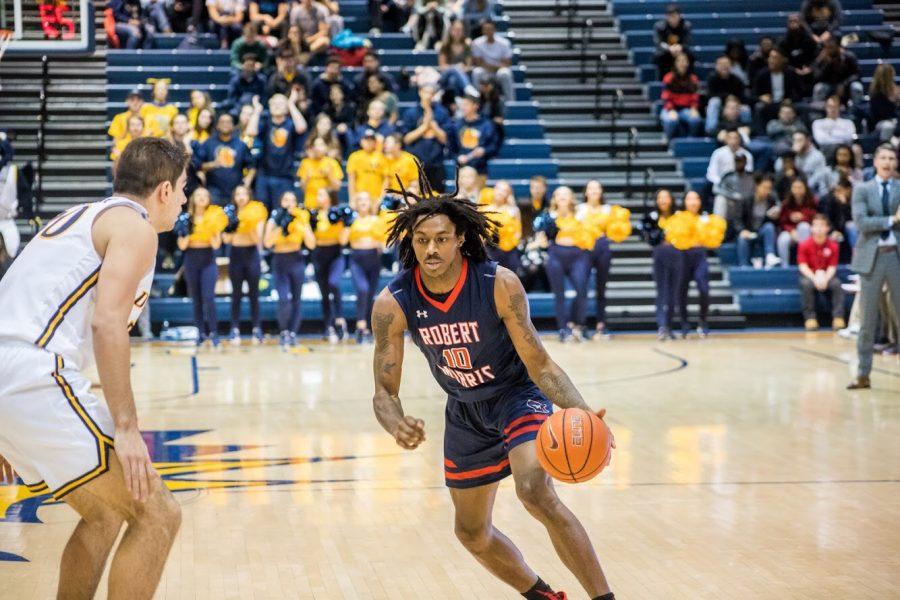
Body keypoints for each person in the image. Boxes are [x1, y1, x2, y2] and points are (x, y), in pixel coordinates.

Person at [370, 168, 617, 600]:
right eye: (422, 239)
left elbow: (541, 364)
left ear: (460, 238)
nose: (431, 249)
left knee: (534, 490)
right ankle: (541, 595)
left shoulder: (498, 283)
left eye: (441, 238)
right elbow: (384, 392)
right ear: (410, 240)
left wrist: (578, 409)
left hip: (516, 397)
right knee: (471, 533)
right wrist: (395, 424)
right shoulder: (394, 302)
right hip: (464, 410)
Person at [0, 137, 187, 598]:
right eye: (182, 189)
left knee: (104, 514)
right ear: (163, 190)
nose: (184, 200)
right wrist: (126, 426)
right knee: (158, 512)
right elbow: (107, 323)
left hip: (15, 374)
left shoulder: (82, 216)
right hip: (32, 372)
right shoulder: (136, 228)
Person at [847, 145, 900, 389]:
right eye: (883, 158)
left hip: (896, 257)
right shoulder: (862, 189)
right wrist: (893, 220)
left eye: (892, 158)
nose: (888, 162)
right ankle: (863, 373)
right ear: (875, 162)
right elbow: (862, 223)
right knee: (868, 320)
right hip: (872, 257)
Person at [536, 186, 592, 342]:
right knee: (559, 294)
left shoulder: (580, 214)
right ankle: (563, 328)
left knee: (581, 289)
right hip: (556, 255)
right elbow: (540, 239)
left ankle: (578, 325)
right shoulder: (548, 216)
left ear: (571, 198)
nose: (562, 197)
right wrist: (544, 241)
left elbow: (589, 234)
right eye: (559, 194)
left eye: (566, 194)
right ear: (554, 198)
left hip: (578, 255)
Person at [667, 190, 724, 337]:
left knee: (704, 288)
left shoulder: (706, 219)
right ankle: (684, 323)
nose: (693, 202)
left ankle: (702, 320)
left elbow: (715, 239)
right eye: (689, 199)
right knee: (681, 290)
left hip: (699, 255)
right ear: (685, 202)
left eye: (696, 198)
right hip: (682, 256)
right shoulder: (678, 218)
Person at [578, 180, 631, 338]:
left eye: (597, 188)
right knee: (582, 287)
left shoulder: (608, 210)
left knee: (602, 288)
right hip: (584, 248)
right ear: (586, 192)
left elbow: (617, 230)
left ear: (601, 192)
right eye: (591, 188)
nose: (594, 191)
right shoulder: (579, 209)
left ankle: (601, 323)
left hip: (602, 246)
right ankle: (581, 323)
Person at [175, 187, 227, 347]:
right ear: (193, 199)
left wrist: (211, 230)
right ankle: (200, 333)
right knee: (196, 299)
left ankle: (214, 332)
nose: (202, 197)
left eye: (205, 195)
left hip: (208, 260)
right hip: (191, 260)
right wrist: (189, 232)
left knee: (209, 297)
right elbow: (182, 245)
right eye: (198, 194)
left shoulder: (214, 216)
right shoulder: (185, 218)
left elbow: (217, 244)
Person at [263, 190, 316, 348]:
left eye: (292, 200)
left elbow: (311, 244)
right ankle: (284, 331)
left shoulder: (301, 219)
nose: (289, 202)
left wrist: (303, 224)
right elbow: (267, 243)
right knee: (283, 298)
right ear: (281, 202)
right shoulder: (275, 219)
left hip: (296, 260)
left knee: (297, 299)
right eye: (286, 199)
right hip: (279, 261)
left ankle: (293, 332)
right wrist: (281, 225)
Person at [246, 91, 308, 210]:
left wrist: (291, 104)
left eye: (281, 104)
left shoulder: (290, 124)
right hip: (264, 175)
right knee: (261, 210)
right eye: (274, 104)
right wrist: (257, 110)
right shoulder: (265, 123)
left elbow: (301, 127)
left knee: (283, 210)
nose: (277, 106)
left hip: (285, 176)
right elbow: (251, 131)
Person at [222, 185, 267, 345]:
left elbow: (258, 240)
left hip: (252, 254)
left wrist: (248, 225)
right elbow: (226, 240)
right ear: (234, 197)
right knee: (236, 294)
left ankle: (257, 328)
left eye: (244, 193)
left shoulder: (257, 212)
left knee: (254, 294)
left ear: (249, 196)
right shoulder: (229, 213)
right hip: (235, 254)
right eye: (237, 193)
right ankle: (234, 329)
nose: (241, 197)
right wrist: (232, 227)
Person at [342, 192, 385, 343]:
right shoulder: (351, 220)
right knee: (363, 289)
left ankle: (367, 327)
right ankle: (360, 324)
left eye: (366, 199)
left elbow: (384, 244)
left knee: (370, 293)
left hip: (373, 258)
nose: (363, 202)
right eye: (359, 199)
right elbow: (342, 241)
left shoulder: (377, 220)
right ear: (355, 203)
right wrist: (347, 225)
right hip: (356, 259)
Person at [310, 190, 352, 342]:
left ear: (329, 197)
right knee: (324, 292)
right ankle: (328, 325)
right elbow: (311, 240)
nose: (319, 198)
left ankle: (340, 320)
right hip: (319, 253)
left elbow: (343, 240)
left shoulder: (339, 212)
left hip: (336, 252)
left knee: (333, 283)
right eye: (318, 195)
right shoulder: (314, 215)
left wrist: (345, 223)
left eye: (322, 195)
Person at [400, 83, 454, 192]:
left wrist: (431, 121)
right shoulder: (410, 113)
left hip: (436, 163)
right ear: (420, 92)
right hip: (415, 163)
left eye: (431, 93)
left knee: (437, 199)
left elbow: (444, 139)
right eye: (426, 92)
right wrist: (424, 127)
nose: (428, 96)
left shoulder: (442, 113)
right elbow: (406, 139)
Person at [641, 189, 680, 339]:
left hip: (677, 254)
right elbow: (646, 235)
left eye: (666, 197)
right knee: (661, 290)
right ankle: (662, 325)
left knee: (673, 292)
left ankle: (670, 325)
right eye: (660, 198)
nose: (663, 200)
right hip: (660, 254)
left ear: (671, 200)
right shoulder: (652, 218)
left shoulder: (679, 217)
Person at [798, 213, 845, 330]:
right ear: (811, 228)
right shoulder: (804, 245)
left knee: (836, 284)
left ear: (827, 228)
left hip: (827, 276)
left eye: (822, 226)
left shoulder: (833, 246)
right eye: (816, 226)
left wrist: (825, 278)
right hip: (810, 275)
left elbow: (832, 267)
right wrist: (814, 278)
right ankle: (810, 318)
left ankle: (838, 317)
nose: (818, 229)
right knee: (806, 284)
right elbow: (803, 266)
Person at [195, 113, 255, 205]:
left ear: (233, 125)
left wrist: (247, 182)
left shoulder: (241, 145)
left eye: (228, 122)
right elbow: (197, 165)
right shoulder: (208, 143)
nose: (225, 124)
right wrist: (212, 164)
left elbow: (252, 166)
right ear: (218, 126)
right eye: (222, 122)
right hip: (214, 190)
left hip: (236, 191)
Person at [752, 47, 804, 128]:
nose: (771, 60)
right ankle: (761, 135)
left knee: (801, 107)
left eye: (775, 58)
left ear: (783, 60)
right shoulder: (762, 74)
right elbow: (753, 94)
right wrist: (761, 98)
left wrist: (791, 99)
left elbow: (800, 91)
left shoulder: (790, 73)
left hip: (786, 102)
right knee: (759, 107)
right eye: (770, 57)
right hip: (769, 103)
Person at [735, 174, 780, 268]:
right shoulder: (746, 200)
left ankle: (770, 255)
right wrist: (742, 230)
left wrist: (775, 218)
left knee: (769, 227)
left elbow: (774, 223)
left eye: (769, 188)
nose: (767, 191)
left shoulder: (772, 200)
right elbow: (737, 219)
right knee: (742, 238)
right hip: (749, 231)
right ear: (757, 186)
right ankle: (743, 265)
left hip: (762, 231)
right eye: (764, 187)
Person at [451, 93, 499, 181]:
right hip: (462, 170)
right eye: (462, 105)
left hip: (480, 170)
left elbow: (494, 146)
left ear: (475, 106)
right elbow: (451, 148)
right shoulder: (457, 125)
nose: (463, 107)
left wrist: (484, 151)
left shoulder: (486, 124)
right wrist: (457, 157)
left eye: (466, 105)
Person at [660, 52, 702, 140]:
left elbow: (695, 97)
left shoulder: (693, 79)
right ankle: (667, 140)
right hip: (670, 108)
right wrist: (671, 109)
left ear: (688, 63)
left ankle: (690, 141)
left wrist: (694, 108)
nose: (682, 63)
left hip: (686, 109)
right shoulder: (668, 77)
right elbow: (665, 97)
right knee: (671, 121)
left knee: (695, 120)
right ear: (675, 63)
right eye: (680, 61)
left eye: (684, 61)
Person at [471, 19, 514, 103]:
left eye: (490, 29)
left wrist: (488, 65)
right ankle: (476, 102)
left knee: (505, 73)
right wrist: (497, 65)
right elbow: (478, 63)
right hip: (485, 72)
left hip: (499, 73)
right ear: (482, 30)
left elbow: (507, 64)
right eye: (485, 29)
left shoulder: (504, 43)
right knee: (476, 72)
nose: (488, 31)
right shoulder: (477, 43)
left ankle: (510, 102)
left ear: (494, 30)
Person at [482, 180, 522, 272]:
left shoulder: (514, 210)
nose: (500, 192)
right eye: (498, 188)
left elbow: (518, 232)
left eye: (504, 190)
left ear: (508, 194)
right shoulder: (485, 209)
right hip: (491, 248)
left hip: (509, 249)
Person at [777, 177, 817, 266]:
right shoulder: (786, 204)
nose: (797, 190)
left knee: (803, 226)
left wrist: (803, 217)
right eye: (795, 187)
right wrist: (791, 231)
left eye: (800, 187)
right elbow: (782, 222)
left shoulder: (812, 202)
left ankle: (805, 262)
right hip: (791, 232)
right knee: (783, 239)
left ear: (805, 188)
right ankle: (784, 266)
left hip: (808, 232)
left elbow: (816, 219)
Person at [705, 55, 748, 136]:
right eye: (721, 64)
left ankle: (745, 130)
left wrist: (735, 100)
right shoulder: (712, 78)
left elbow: (742, 96)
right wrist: (727, 97)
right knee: (714, 101)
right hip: (719, 106)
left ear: (730, 66)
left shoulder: (736, 79)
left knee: (746, 109)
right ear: (716, 66)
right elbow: (709, 96)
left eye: (726, 64)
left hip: (734, 105)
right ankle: (711, 130)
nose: (724, 66)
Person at [812, 38, 863, 106]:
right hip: (829, 85)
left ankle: (856, 112)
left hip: (846, 85)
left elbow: (857, 74)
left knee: (857, 87)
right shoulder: (823, 59)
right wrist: (826, 63)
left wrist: (844, 84)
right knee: (819, 88)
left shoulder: (848, 56)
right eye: (829, 48)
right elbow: (817, 76)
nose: (831, 50)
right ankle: (817, 114)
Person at [298, 137, 344, 209]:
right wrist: (307, 177)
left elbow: (337, 187)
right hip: (310, 205)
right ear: (313, 148)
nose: (318, 148)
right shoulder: (305, 162)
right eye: (316, 145)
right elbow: (302, 187)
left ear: (326, 147)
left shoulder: (332, 163)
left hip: (327, 206)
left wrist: (329, 175)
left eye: (321, 145)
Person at [347, 129, 390, 203]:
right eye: (366, 139)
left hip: (376, 198)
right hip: (360, 198)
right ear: (361, 141)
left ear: (375, 142)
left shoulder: (382, 157)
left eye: (371, 140)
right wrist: (352, 199)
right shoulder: (354, 157)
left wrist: (382, 197)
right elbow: (351, 180)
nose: (369, 142)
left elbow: (386, 180)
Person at [713, 152, 754, 230]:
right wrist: (732, 196)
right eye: (737, 161)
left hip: (749, 204)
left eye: (741, 161)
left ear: (745, 162)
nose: (739, 163)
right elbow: (716, 189)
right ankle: (718, 230)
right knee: (720, 199)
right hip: (732, 205)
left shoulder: (751, 176)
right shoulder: (728, 176)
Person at [437, 19, 476, 98]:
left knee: (453, 80)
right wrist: (455, 68)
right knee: (454, 70)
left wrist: (461, 68)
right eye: (455, 30)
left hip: (462, 75)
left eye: (460, 30)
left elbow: (468, 66)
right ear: (451, 31)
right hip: (445, 75)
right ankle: (467, 87)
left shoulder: (467, 45)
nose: (457, 32)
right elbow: (442, 66)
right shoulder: (445, 45)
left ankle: (455, 100)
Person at [653, 4, 692, 78]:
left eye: (674, 16)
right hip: (666, 52)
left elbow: (687, 41)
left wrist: (680, 47)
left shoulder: (686, 26)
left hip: (681, 51)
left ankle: (688, 79)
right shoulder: (659, 26)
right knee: (660, 57)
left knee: (690, 57)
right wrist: (669, 48)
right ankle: (662, 80)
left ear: (679, 16)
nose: (672, 18)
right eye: (670, 16)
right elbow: (658, 42)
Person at [819, 176, 857, 252]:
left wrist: (844, 205)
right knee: (834, 236)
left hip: (844, 228)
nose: (841, 192)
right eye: (839, 190)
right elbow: (826, 218)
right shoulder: (828, 199)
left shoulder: (853, 199)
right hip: (831, 228)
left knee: (852, 226)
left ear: (849, 190)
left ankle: (856, 253)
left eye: (844, 190)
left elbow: (853, 218)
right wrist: (832, 231)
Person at [867, 63, 899, 143]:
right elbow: (886, 114)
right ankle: (884, 146)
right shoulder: (876, 94)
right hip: (880, 123)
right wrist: (895, 100)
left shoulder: (894, 89)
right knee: (888, 126)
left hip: (895, 121)